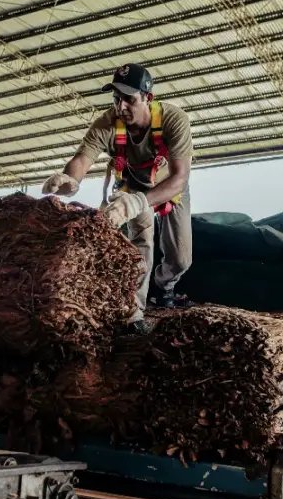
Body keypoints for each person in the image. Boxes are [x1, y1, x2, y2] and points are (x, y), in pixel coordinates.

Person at [42, 63, 193, 335]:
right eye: (116, 98)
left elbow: (180, 177)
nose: (121, 106)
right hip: (133, 185)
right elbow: (82, 158)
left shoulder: (174, 120)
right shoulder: (108, 123)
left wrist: (140, 201)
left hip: (169, 184)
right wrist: (71, 180)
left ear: (147, 97)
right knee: (141, 242)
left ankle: (166, 285)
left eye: (129, 99)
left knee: (181, 258)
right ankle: (133, 314)